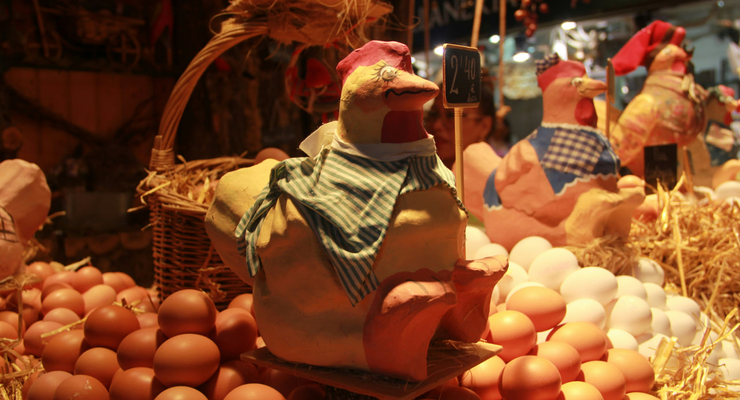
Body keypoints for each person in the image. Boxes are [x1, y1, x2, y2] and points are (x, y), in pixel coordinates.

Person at [425, 82, 510, 168]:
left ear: (485, 126)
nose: (436, 126)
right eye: (433, 114)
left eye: (452, 115)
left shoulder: (499, 175)